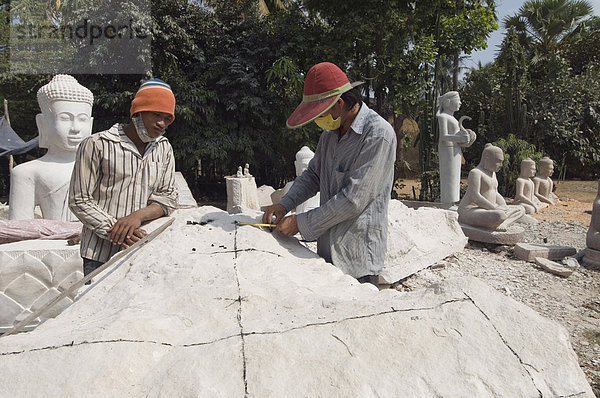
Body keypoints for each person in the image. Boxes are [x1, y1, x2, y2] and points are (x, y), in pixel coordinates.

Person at [262, 62, 397, 285]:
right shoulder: (330, 134)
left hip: (358, 259)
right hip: (328, 251)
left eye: (321, 113)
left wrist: (300, 223)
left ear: (339, 103)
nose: (319, 120)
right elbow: (313, 175)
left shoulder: (377, 135)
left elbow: (353, 200)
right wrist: (285, 204)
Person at [69, 79, 178, 276]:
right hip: (99, 254)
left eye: (167, 118)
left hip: (144, 250)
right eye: (156, 115)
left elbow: (168, 197)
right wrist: (117, 231)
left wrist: (137, 217)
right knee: (96, 305)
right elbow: (79, 199)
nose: (161, 123)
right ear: (138, 112)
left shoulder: (164, 148)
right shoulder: (97, 144)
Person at [9, 74, 94, 221]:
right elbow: (20, 230)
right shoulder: (27, 173)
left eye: (82, 119)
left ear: (91, 124)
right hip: (52, 242)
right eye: (65, 118)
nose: (75, 128)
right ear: (42, 124)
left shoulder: (103, 167)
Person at [458, 144, 524, 231]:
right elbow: (475, 196)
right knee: (499, 215)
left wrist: (503, 206)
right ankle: (500, 220)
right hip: (471, 210)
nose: (501, 165)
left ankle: (503, 223)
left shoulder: (493, 174)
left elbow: (495, 193)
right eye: (498, 161)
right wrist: (494, 208)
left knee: (521, 209)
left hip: (489, 209)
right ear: (487, 158)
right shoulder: (475, 173)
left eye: (501, 162)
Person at [437, 91, 475, 205]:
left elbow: (456, 134)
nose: (460, 103)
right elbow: (444, 136)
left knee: (454, 176)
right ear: (448, 102)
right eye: (458, 100)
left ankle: (453, 202)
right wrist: (460, 139)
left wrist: (467, 137)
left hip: (455, 149)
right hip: (447, 149)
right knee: (449, 176)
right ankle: (447, 203)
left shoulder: (453, 118)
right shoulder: (443, 117)